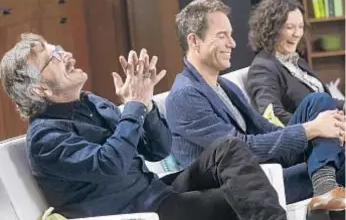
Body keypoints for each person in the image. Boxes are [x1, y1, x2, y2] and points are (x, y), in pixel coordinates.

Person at [0, 33, 288, 220]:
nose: (67, 55)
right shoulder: (45, 138)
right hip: (136, 212)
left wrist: (146, 105)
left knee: (227, 150)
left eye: (59, 47)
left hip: (158, 192)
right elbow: (109, 164)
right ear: (40, 90)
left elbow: (158, 150)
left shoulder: (92, 103)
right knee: (239, 203)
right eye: (54, 57)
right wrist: (134, 106)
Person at [165, 0, 346, 219]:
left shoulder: (224, 85)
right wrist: (312, 130)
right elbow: (239, 150)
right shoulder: (185, 95)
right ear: (194, 41)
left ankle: (324, 183)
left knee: (317, 102)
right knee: (341, 162)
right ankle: (325, 185)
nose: (232, 43)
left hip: (266, 164)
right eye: (222, 36)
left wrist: (325, 131)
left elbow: (267, 129)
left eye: (230, 35)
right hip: (246, 186)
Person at [246, 0, 345, 125]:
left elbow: (326, 101)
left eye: (301, 27)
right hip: (312, 137)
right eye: (290, 27)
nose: (297, 34)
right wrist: (318, 126)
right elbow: (273, 115)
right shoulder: (262, 68)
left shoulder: (296, 61)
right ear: (271, 29)